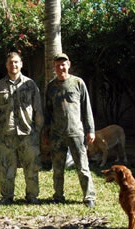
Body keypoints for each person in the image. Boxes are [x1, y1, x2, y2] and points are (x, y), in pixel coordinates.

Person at [0, 51, 44, 204]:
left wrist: (37, 131)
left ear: (21, 64)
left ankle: (32, 196)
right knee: (6, 168)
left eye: (16, 62)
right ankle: (7, 197)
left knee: (31, 167)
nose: (13, 65)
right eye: (10, 62)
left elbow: (37, 109)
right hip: (6, 134)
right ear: (6, 65)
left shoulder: (30, 85)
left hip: (28, 133)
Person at [45, 53, 96, 208]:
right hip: (56, 134)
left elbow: (86, 108)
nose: (61, 67)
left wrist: (90, 130)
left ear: (69, 65)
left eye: (63, 64)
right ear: (54, 67)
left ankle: (89, 197)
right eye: (57, 65)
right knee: (58, 168)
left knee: (83, 167)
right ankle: (58, 196)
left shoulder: (78, 83)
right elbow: (48, 111)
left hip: (76, 133)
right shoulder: (51, 87)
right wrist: (46, 133)